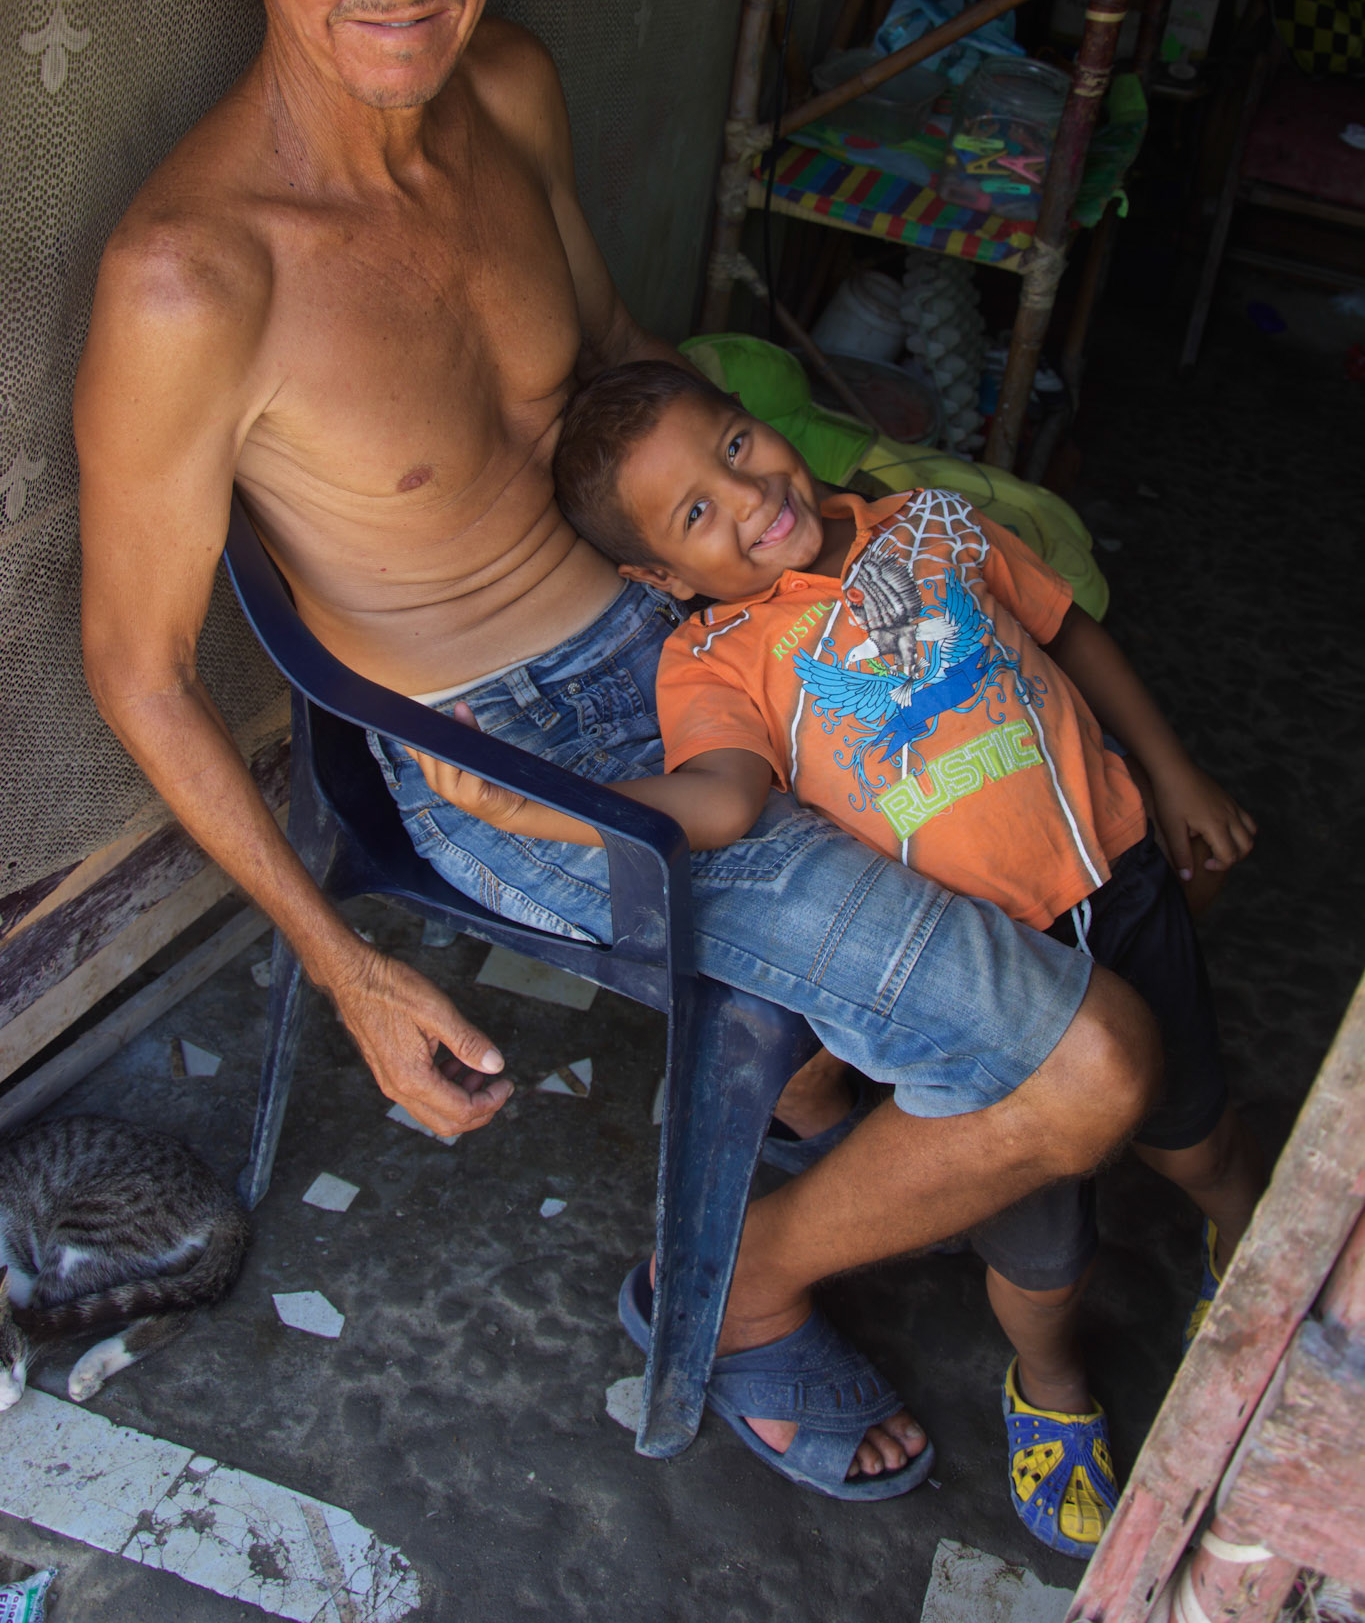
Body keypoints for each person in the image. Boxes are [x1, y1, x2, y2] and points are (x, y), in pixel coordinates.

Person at [75, 0, 1158, 1504]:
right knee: (1093, 1072)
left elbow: (616, 379)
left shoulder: (507, 91)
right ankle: (725, 1292)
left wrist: (810, 516)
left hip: (700, 635)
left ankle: (813, 1105)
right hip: (539, 769)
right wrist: (343, 963)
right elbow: (137, 667)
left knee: (1066, 814)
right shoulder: (196, 279)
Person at [414, 359, 1262, 1553]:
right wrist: (539, 807)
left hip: (1118, 884)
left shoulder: (934, 525)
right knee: (1044, 1248)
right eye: (696, 514)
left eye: (737, 445)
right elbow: (714, 801)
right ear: (660, 579)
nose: (747, 491)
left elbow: (1073, 635)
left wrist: (1172, 772)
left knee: (1199, 1132)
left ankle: (1252, 1239)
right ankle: (1053, 1380)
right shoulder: (715, 662)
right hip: (996, 978)